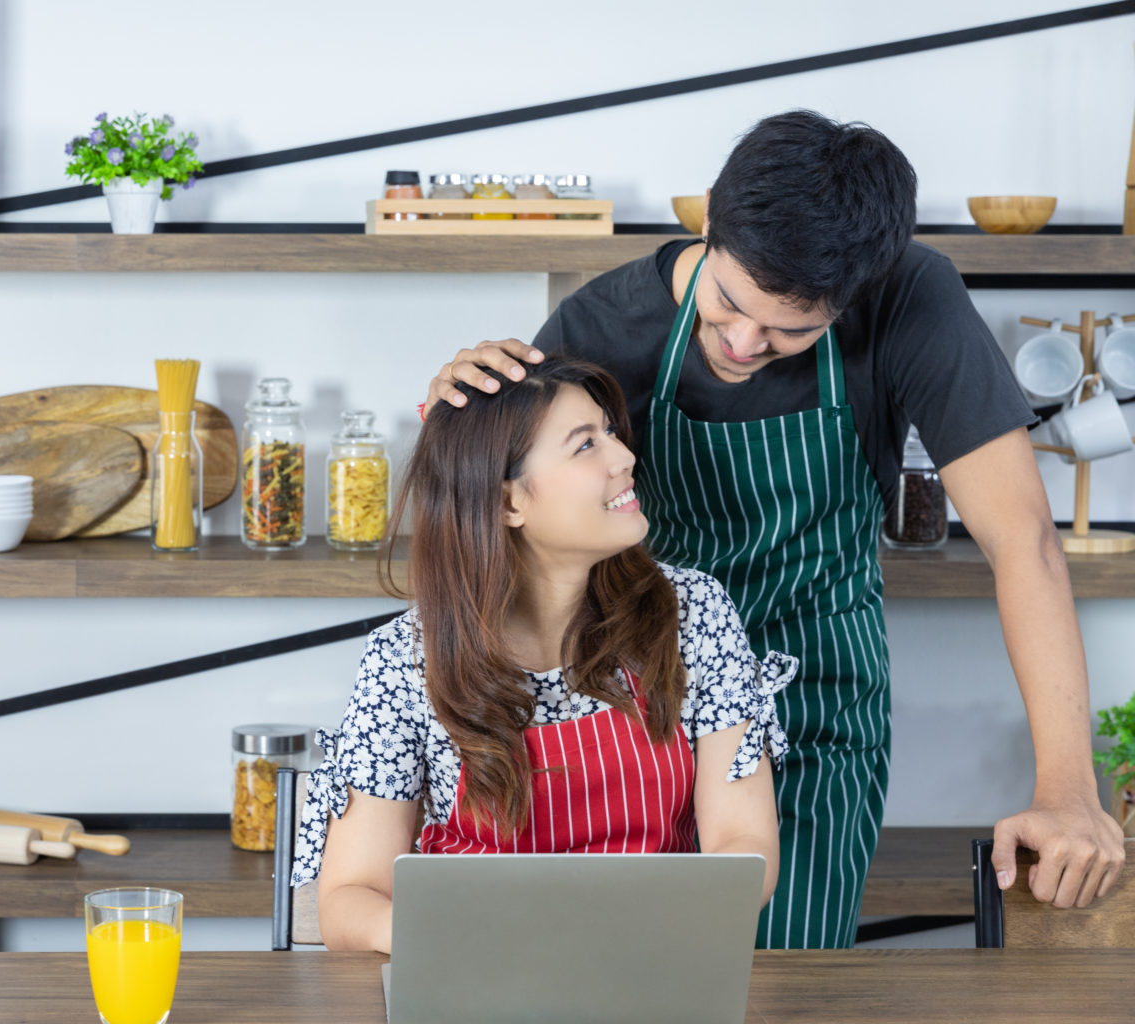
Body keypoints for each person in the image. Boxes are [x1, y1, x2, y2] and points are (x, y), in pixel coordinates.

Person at [425, 109, 1125, 949]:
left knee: (776, 982)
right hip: (638, 719)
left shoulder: (910, 294)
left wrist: (1068, 789)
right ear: (711, 219)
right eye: (728, 304)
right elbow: (500, 513)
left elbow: (1026, 545)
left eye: (792, 330)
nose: (744, 342)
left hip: (818, 711)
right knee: (619, 975)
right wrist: (452, 418)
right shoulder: (601, 326)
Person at [291, 357, 789, 954]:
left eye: (610, 432)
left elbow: (744, 844)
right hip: (472, 975)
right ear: (506, 505)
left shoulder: (693, 614)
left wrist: (628, 930)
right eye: (585, 446)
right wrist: (466, 939)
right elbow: (350, 898)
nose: (625, 457)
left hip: (653, 959)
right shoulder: (407, 659)